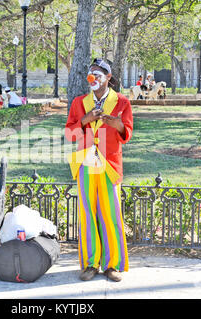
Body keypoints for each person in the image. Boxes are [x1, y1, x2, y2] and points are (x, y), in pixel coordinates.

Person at [65, 58, 133, 283]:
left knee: (111, 214)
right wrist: (85, 119)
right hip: (86, 162)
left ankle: (113, 264)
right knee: (87, 214)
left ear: (108, 77)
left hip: (109, 164)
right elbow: (70, 134)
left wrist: (117, 125)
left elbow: (127, 132)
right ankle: (90, 264)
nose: (93, 77)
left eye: (98, 73)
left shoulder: (121, 102)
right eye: (91, 73)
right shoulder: (79, 103)